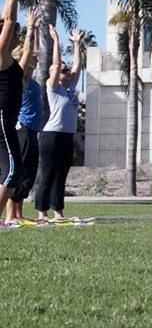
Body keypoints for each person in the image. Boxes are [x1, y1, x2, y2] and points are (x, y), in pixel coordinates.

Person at [34, 25, 82, 221]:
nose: (67, 71)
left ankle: (58, 211)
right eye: (63, 70)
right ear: (55, 73)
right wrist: (56, 41)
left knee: (61, 175)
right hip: (51, 135)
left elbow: (77, 67)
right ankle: (42, 211)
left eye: (67, 69)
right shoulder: (52, 87)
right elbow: (55, 64)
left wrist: (77, 44)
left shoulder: (70, 87)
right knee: (48, 173)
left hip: (67, 135)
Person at [7, 9, 42, 223]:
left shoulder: (33, 80)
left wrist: (35, 30)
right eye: (32, 57)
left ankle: (19, 213)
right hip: (22, 129)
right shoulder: (20, 80)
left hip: (33, 131)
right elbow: (28, 50)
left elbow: (32, 49)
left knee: (29, 172)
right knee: (18, 171)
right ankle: (11, 214)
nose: (36, 58)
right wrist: (30, 28)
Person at [0, 0, 29, 222]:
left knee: (8, 171)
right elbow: (8, 20)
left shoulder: (7, 56)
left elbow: (7, 20)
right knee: (12, 171)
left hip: (6, 118)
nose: (13, 32)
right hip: (1, 118)